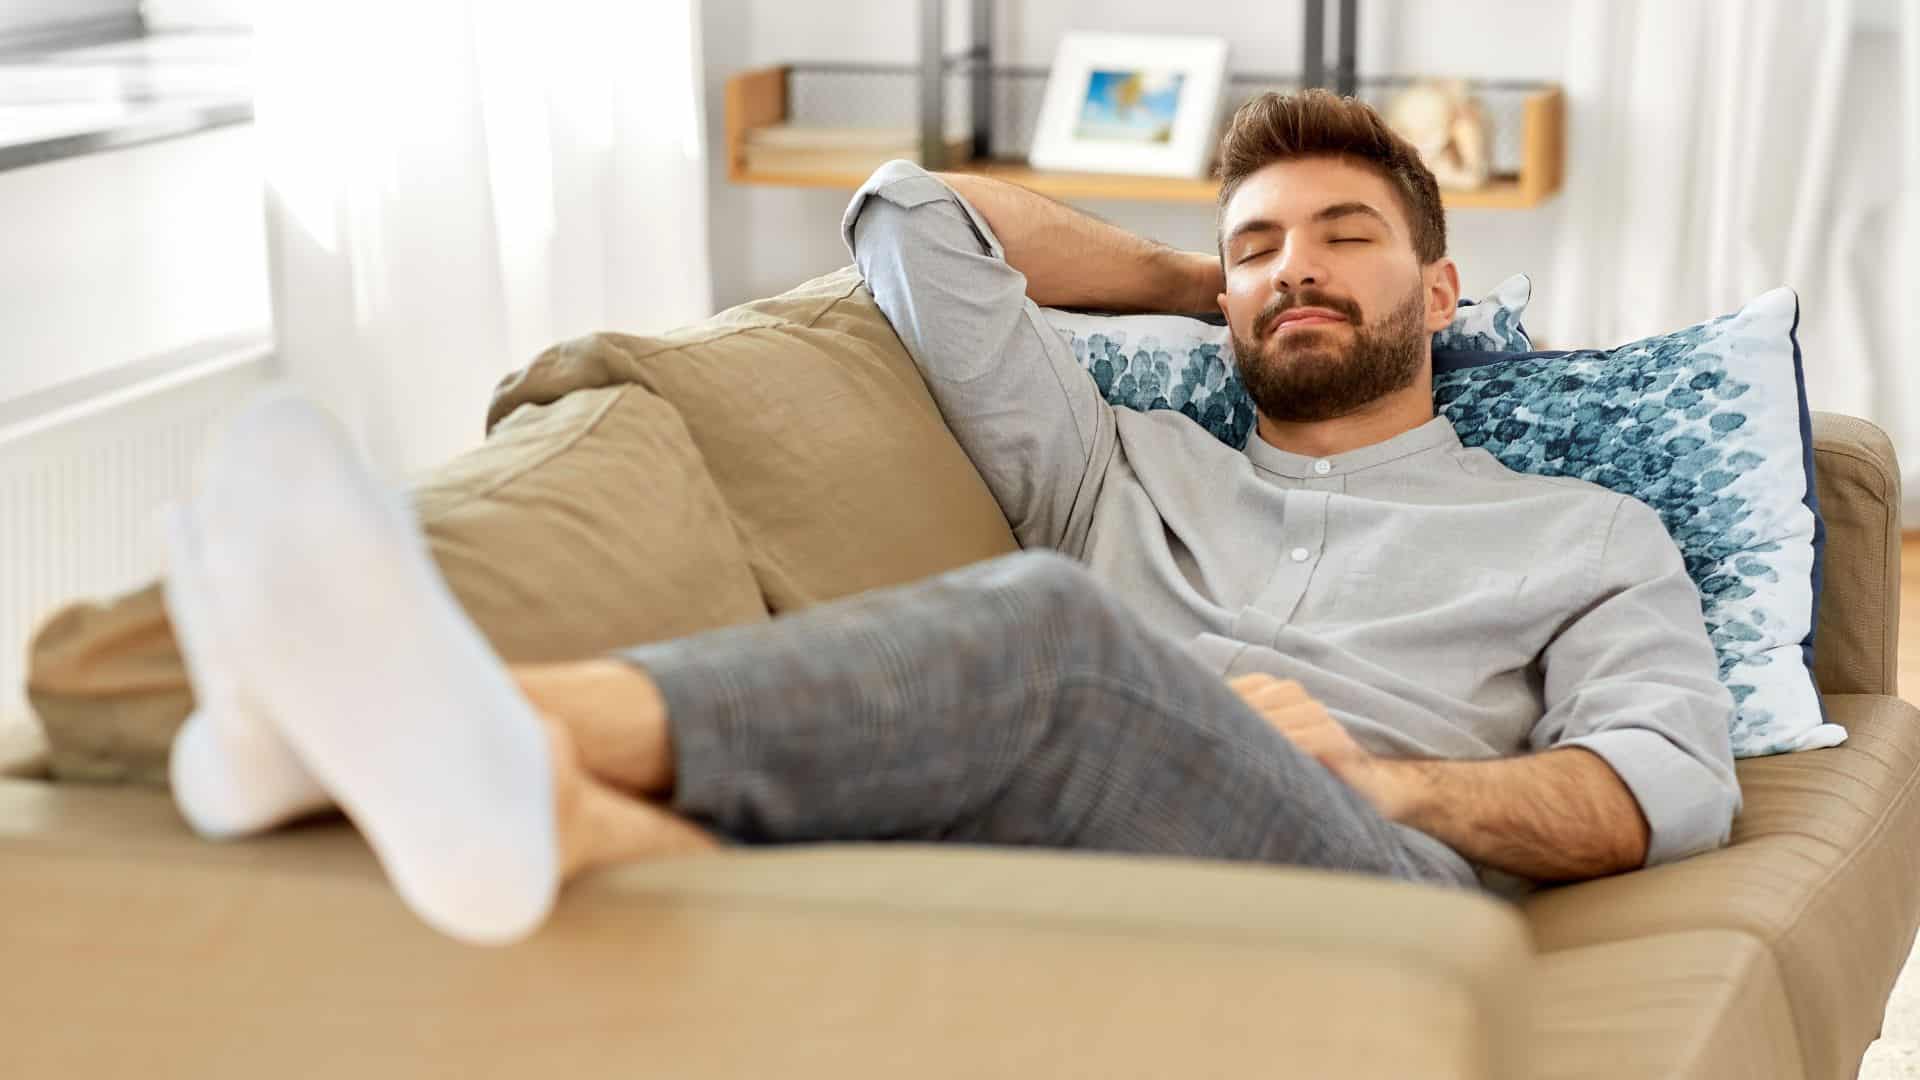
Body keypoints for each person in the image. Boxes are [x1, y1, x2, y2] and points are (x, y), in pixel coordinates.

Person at [163, 90, 1739, 947]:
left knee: (1058, 634)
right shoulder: (1116, 463)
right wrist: (1202, 282)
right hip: (1055, 830)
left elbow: (1665, 788)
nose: (1296, 267)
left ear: (1444, 292)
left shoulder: (1586, 533)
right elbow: (916, 218)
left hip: (1366, 879)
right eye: (1259, 246)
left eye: (1346, 236)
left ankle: (451, 710)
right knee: (972, 724)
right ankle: (515, 802)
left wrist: (1384, 781)